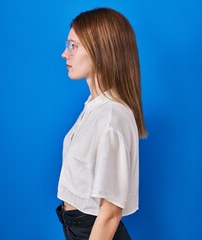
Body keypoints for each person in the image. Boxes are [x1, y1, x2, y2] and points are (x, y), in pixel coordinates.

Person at [56, 7, 147, 240]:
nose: (65, 54)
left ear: (100, 51)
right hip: (79, 229)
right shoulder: (95, 108)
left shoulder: (111, 117)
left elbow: (110, 213)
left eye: (73, 46)